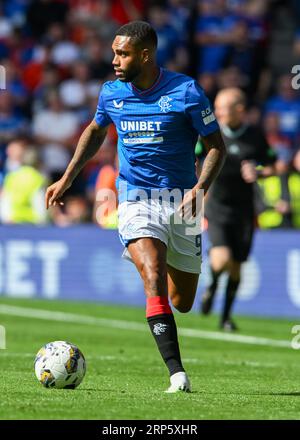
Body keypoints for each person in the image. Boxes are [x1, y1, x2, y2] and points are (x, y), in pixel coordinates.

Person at [45, 21, 226, 393]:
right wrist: (67, 177)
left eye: (122, 53)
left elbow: (216, 146)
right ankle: (177, 374)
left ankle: (157, 268)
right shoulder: (111, 93)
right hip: (134, 198)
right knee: (153, 273)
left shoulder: (186, 92)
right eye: (114, 51)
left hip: (182, 202)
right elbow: (96, 131)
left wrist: (200, 187)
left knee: (183, 301)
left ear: (145, 55)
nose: (114, 59)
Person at [198, 87, 276, 331]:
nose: (218, 113)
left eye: (223, 108)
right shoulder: (211, 133)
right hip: (217, 206)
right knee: (222, 259)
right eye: (217, 108)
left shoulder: (255, 135)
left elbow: (274, 165)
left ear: (239, 110)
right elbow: (196, 159)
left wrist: (259, 171)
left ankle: (226, 317)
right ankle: (211, 287)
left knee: (237, 267)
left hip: (244, 210)